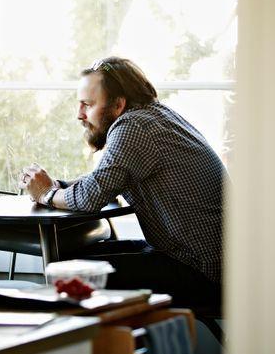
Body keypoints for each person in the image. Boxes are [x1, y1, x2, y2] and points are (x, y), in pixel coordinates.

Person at [18, 56, 226, 311]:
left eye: (87, 104)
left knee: (72, 274)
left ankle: (107, 347)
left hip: (202, 272)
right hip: (205, 263)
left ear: (118, 104)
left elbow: (90, 197)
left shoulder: (134, 126)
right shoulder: (155, 116)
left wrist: (47, 194)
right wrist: (59, 185)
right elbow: (109, 178)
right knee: (74, 262)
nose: (79, 114)